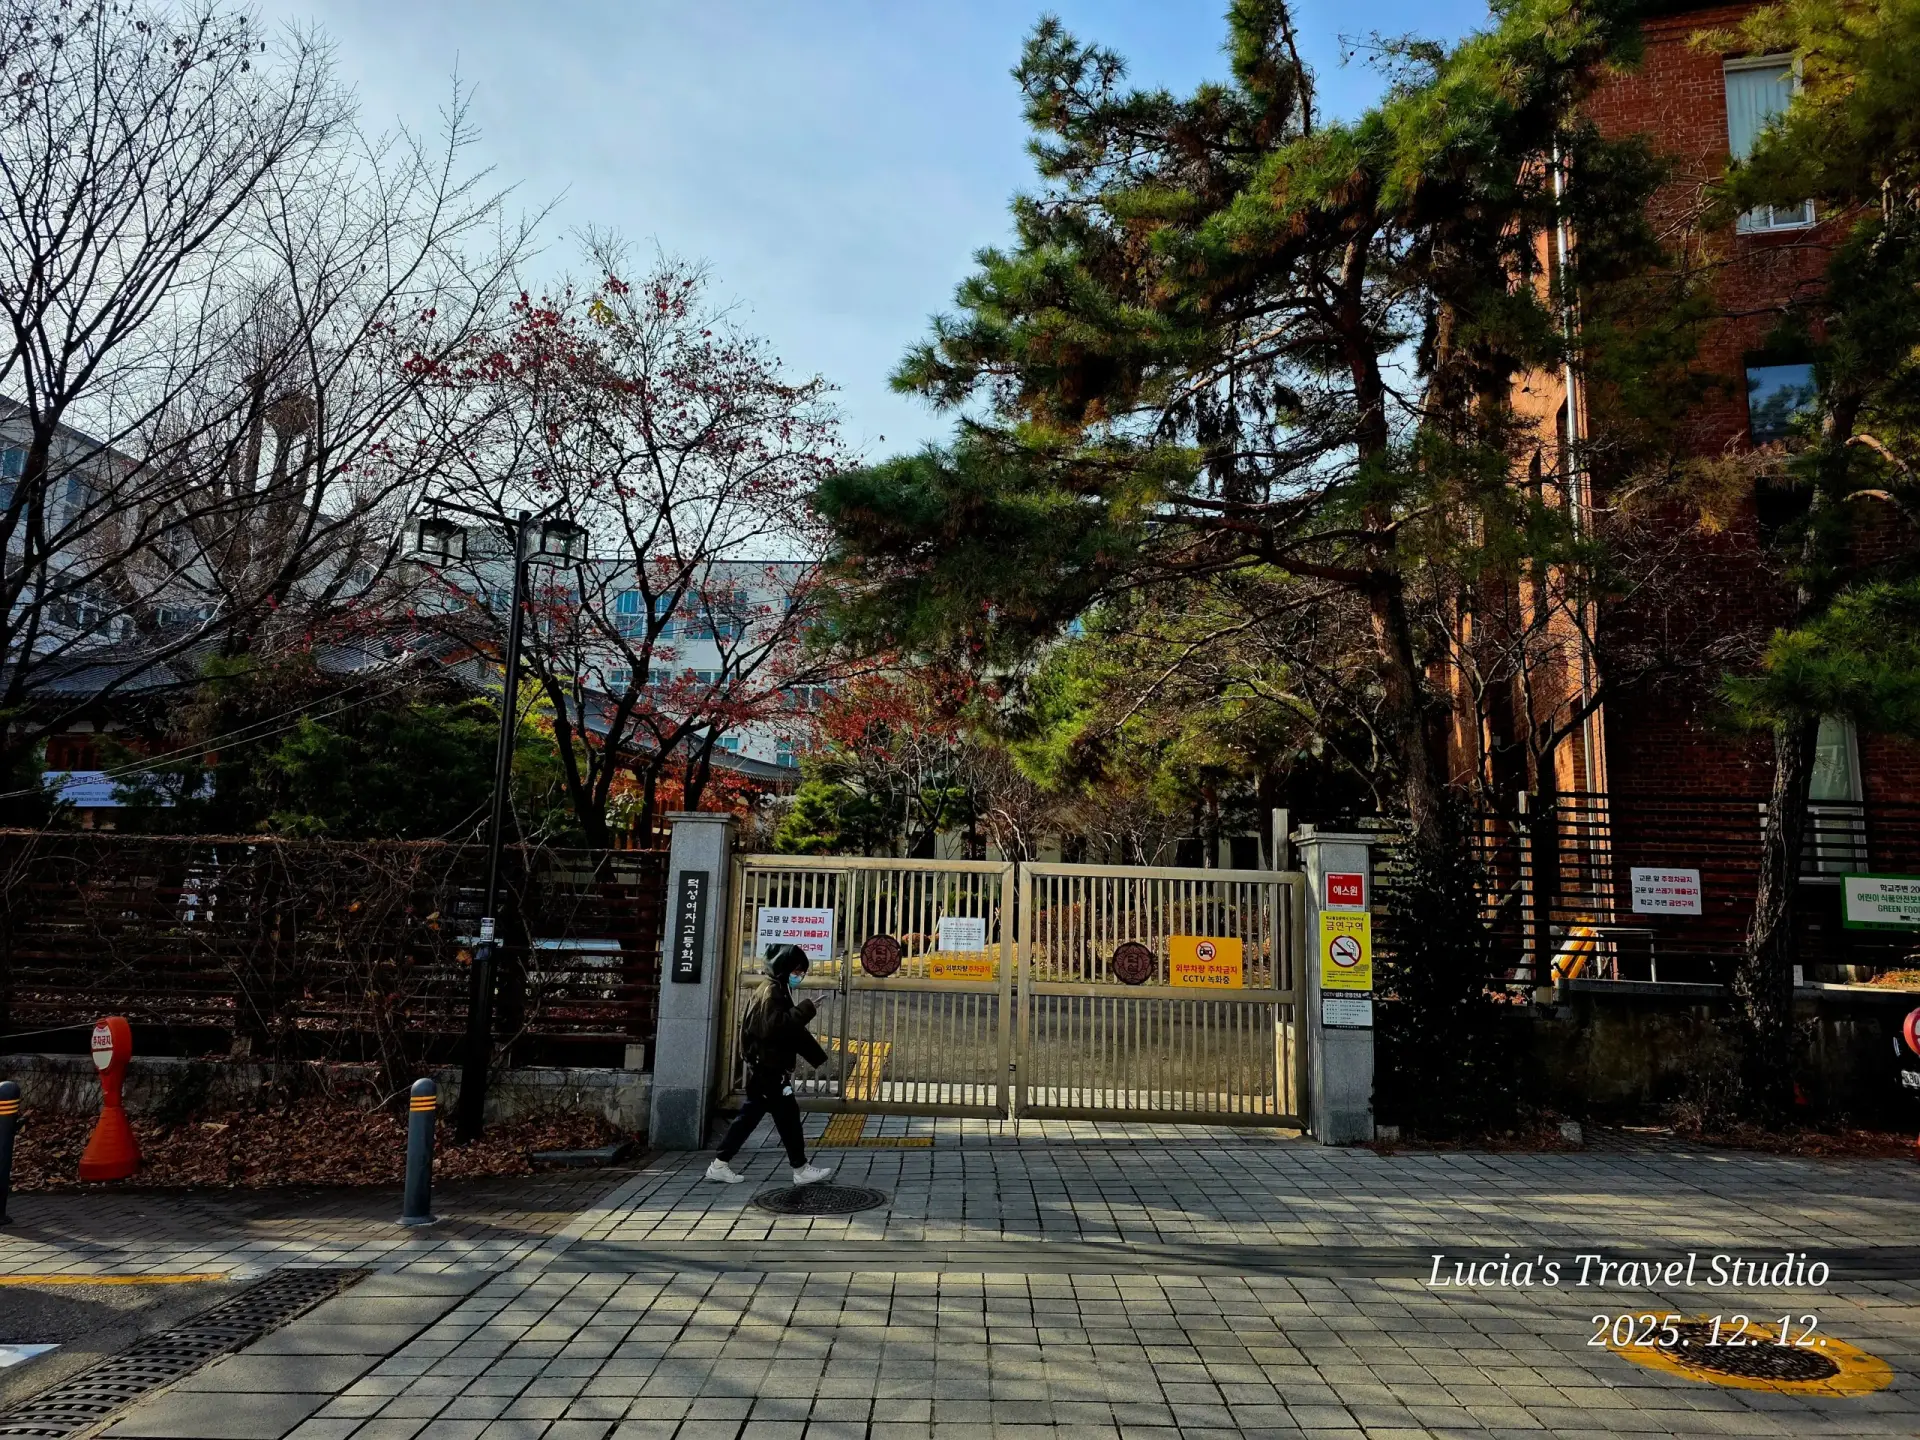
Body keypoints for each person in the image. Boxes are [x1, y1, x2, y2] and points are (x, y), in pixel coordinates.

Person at [707, 943, 836, 1185]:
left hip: (768, 1066)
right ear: (785, 968)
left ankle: (723, 1164)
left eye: (802, 972)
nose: (800, 976)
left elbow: (787, 1029)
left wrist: (815, 1052)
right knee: (771, 1118)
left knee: (767, 1116)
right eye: (797, 971)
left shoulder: (776, 987)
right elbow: (776, 1027)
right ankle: (798, 1169)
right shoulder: (772, 991)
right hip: (769, 1067)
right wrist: (807, 1008)